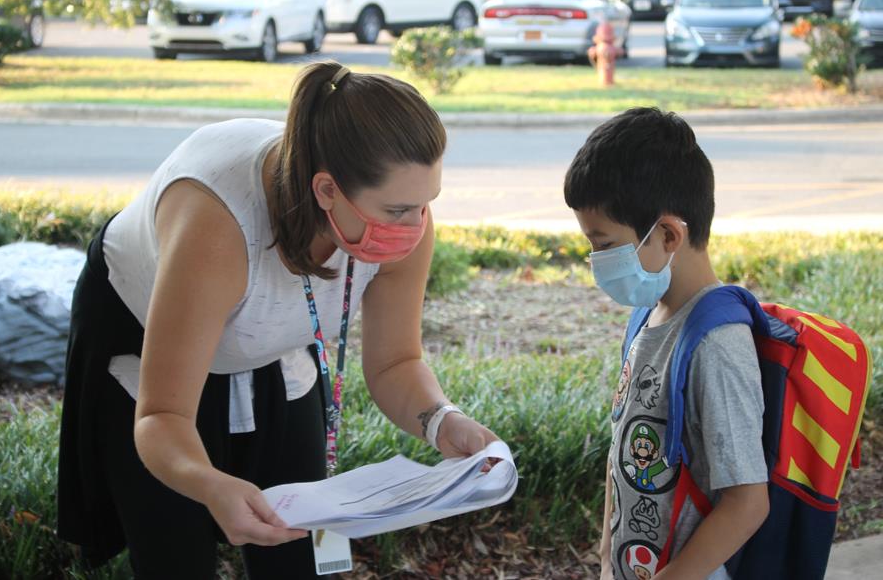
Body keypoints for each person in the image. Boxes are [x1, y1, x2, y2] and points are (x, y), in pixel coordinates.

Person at [57, 61, 498, 578]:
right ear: (328, 190)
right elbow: (162, 418)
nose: (415, 227)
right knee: (176, 557)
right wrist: (209, 482)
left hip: (274, 347)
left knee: (295, 556)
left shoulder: (403, 215)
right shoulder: (218, 227)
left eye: (427, 204)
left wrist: (442, 420)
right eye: (398, 210)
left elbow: (396, 362)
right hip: (145, 339)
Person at [562, 108, 770, 580]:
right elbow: (625, 446)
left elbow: (747, 502)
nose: (595, 260)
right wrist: (605, 552)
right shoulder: (649, 315)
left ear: (670, 234)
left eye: (604, 243)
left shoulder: (717, 344)